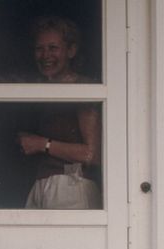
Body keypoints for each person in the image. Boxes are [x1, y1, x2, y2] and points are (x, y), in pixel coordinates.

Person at [17, 15, 102, 209]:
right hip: (42, 185)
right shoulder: (41, 90)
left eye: (53, 48)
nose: (45, 55)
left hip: (72, 186)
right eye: (40, 48)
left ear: (71, 50)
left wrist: (42, 144)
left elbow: (92, 153)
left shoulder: (82, 88)